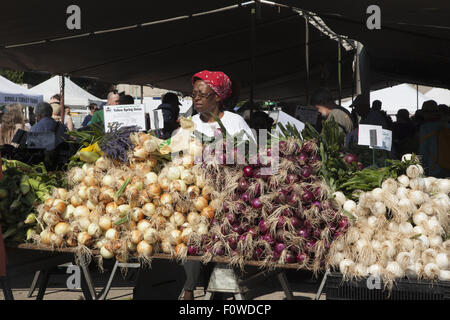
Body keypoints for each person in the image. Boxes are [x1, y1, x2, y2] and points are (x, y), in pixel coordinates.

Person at [183, 70, 255, 301]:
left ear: (217, 97)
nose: (196, 99)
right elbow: (175, 156)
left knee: (223, 243)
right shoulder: (189, 122)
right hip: (194, 195)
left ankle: (221, 292)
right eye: (194, 94)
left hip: (227, 196)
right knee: (190, 240)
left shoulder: (235, 122)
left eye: (202, 95)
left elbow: (253, 158)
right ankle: (188, 288)